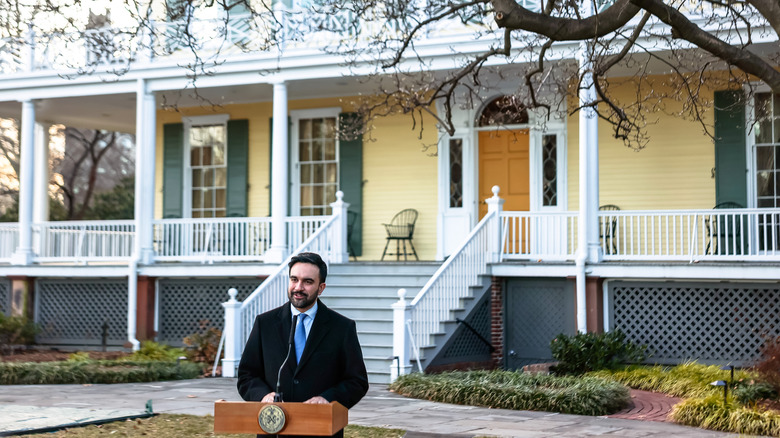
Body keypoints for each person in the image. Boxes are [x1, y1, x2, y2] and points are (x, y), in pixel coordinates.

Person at [237, 252, 369, 438]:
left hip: (321, 429)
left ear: (321, 287)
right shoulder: (265, 323)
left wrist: (327, 399)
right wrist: (263, 396)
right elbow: (247, 375)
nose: (298, 287)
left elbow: (357, 381)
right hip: (273, 430)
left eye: (307, 281)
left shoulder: (342, 328)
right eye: (294, 279)